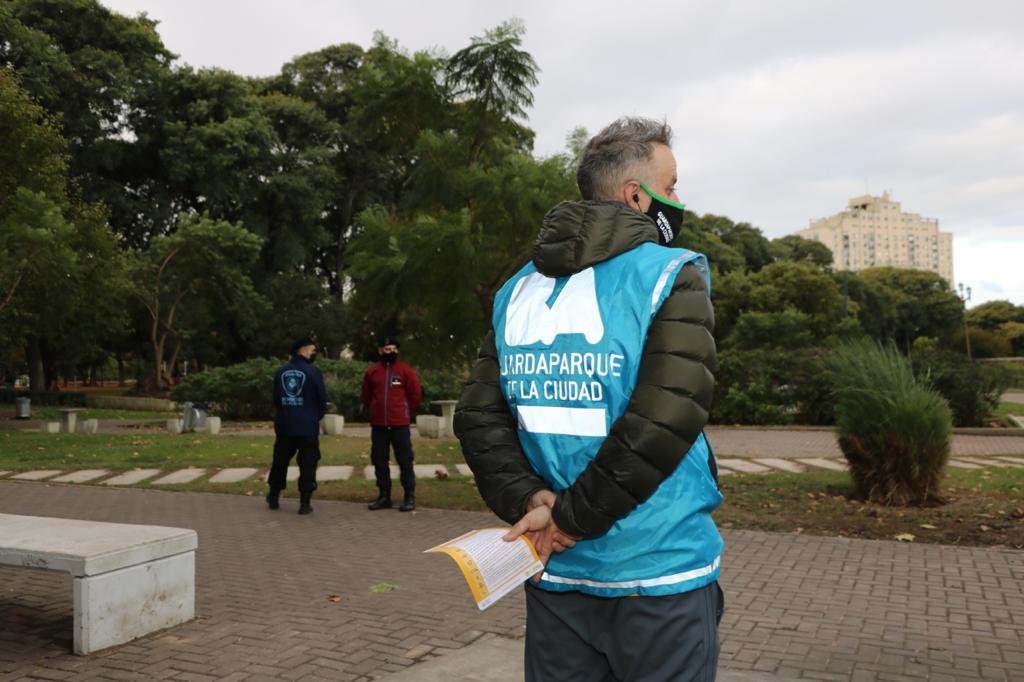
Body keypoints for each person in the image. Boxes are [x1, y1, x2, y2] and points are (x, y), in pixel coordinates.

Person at [454, 117, 723, 681]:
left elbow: (479, 415)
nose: (677, 200)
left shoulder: (516, 289)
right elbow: (665, 419)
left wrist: (533, 504)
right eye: (670, 187)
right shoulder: (672, 273)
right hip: (659, 573)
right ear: (636, 196)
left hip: (555, 568)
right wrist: (569, 516)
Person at [361, 336, 422, 512]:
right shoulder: (372, 371)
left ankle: (409, 496)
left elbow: (415, 395)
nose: (391, 352)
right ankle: (384, 496)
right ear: (380, 351)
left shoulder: (405, 371)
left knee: (405, 461)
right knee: (380, 461)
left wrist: (404, 411)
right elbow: (366, 395)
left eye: (394, 349)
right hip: (379, 425)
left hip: (399, 425)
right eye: (387, 349)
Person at [267, 337, 327, 515]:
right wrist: (315, 417)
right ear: (304, 351)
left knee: (280, 462)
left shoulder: (280, 372)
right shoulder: (313, 372)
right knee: (308, 463)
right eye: (312, 350)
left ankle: (274, 496)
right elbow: (321, 399)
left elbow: (276, 399)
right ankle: (305, 502)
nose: (313, 353)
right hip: (307, 426)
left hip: (285, 425)